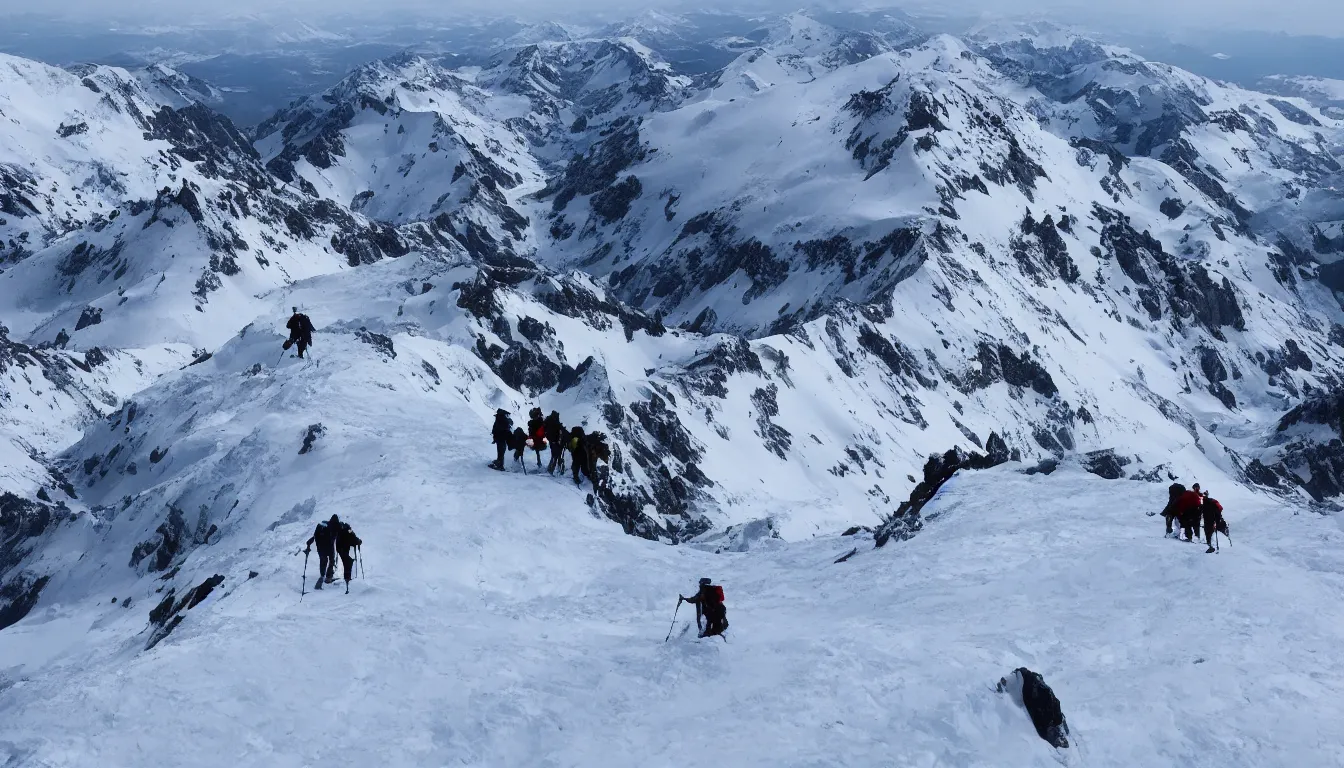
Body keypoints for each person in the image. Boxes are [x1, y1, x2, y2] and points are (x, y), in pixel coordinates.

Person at [304, 515, 338, 590]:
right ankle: (328, 577)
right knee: (331, 561)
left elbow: (315, 536)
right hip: (329, 548)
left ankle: (322, 576)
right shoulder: (335, 527)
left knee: (323, 561)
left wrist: (311, 544)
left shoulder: (322, 526)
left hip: (321, 548)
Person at [334, 517, 363, 591]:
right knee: (348, 563)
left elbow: (350, 538)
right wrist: (358, 541)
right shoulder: (348, 530)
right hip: (344, 549)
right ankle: (347, 579)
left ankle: (347, 578)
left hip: (340, 549)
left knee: (347, 562)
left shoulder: (340, 530)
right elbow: (353, 538)